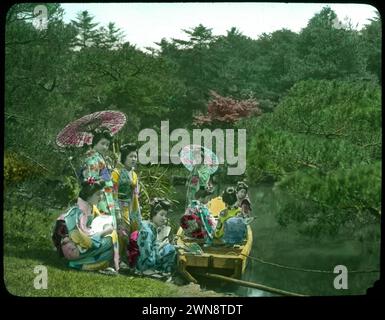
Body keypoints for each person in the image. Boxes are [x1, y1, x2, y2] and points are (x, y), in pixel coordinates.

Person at [52, 179, 119, 274]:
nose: (100, 197)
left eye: (101, 194)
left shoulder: (91, 207)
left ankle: (83, 264)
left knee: (110, 251)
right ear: (88, 195)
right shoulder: (77, 210)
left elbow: (99, 220)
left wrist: (106, 226)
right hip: (73, 247)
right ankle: (80, 263)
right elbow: (75, 235)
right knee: (110, 241)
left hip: (85, 242)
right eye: (98, 194)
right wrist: (101, 233)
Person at [111, 143, 141, 266]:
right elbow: (113, 192)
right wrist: (116, 209)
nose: (134, 159)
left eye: (135, 156)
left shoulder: (134, 174)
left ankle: (129, 258)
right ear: (124, 157)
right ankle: (117, 258)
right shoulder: (116, 172)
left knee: (135, 230)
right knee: (123, 231)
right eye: (131, 156)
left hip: (132, 205)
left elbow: (136, 193)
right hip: (119, 204)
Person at [135, 198, 177, 274]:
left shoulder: (152, 228)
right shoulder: (146, 231)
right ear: (153, 214)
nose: (164, 218)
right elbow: (146, 255)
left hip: (152, 259)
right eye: (161, 215)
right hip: (145, 265)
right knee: (170, 249)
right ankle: (164, 271)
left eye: (165, 215)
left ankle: (166, 272)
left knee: (170, 247)